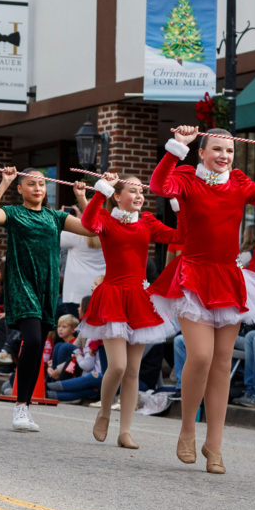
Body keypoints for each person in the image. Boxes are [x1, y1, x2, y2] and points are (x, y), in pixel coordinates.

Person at [149, 126, 255, 474]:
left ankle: (214, 445)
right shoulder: (187, 179)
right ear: (202, 153)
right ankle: (187, 429)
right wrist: (176, 148)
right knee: (200, 355)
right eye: (217, 149)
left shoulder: (239, 183)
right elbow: (159, 186)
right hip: (192, 276)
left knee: (221, 363)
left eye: (229, 151)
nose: (224, 156)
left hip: (228, 279)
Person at [0, 167, 96, 432]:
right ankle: (20, 405)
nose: (37, 188)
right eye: (31, 184)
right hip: (22, 285)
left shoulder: (55, 217)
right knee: (31, 341)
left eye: (42, 184)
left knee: (37, 346)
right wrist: (4, 183)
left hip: (47, 288)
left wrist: (82, 198)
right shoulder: (14, 213)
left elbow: (92, 229)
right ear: (20, 189)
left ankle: (25, 406)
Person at [76, 172, 180, 448]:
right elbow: (87, 222)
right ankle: (104, 411)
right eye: (132, 191)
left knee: (133, 370)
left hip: (139, 298)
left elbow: (179, 236)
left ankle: (125, 431)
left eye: (141, 192)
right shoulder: (106, 220)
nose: (139, 196)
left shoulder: (146, 221)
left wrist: (181, 208)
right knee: (118, 366)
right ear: (118, 196)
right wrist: (101, 190)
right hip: (113, 296)